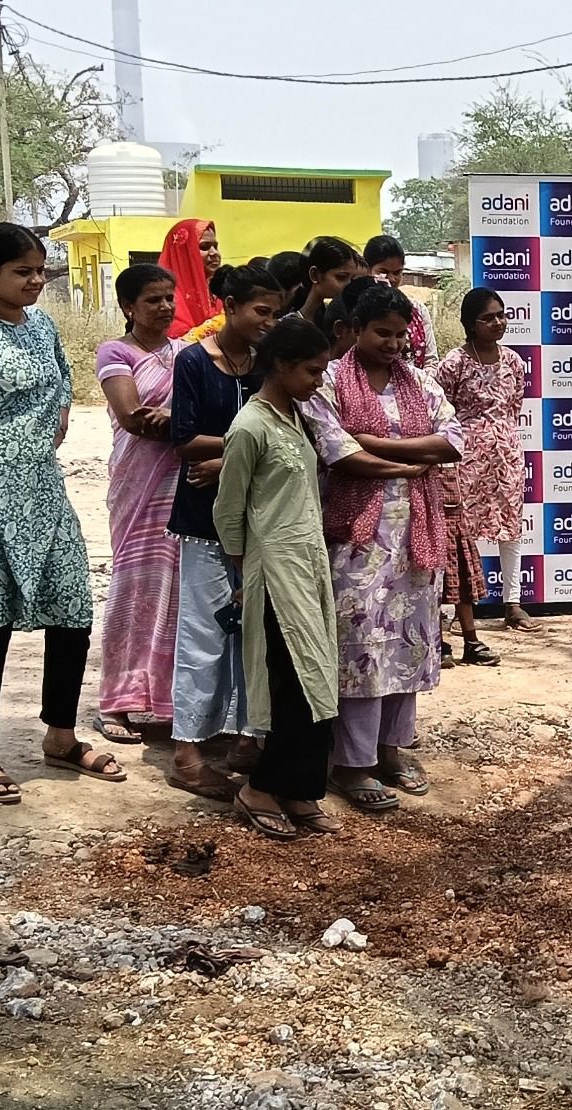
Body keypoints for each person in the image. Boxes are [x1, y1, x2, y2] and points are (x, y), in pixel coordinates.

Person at [302, 283, 461, 812]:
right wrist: (408, 462)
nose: (394, 344)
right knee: (362, 646)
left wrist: (376, 444)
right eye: (382, 333)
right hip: (358, 537)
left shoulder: (420, 381)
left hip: (417, 533)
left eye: (401, 334)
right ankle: (352, 763)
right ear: (355, 331)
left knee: (410, 642)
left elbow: (452, 441)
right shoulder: (328, 381)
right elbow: (337, 449)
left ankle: (392, 750)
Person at [0, 223, 127, 804]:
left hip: (44, 493)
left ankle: (60, 734)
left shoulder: (44, 325)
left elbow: (61, 392)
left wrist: (52, 428)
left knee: (72, 610)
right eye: (21, 270)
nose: (34, 280)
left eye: (39, 271)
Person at [214, 318, 342, 840]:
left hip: (309, 568)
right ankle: (260, 788)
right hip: (273, 575)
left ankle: (300, 788)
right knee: (294, 684)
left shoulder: (296, 417)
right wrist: (244, 571)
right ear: (283, 366)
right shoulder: (250, 427)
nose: (318, 380)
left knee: (318, 680)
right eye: (312, 370)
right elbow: (228, 510)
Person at [168, 264, 284, 798]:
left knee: (251, 634)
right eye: (262, 311)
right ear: (230, 305)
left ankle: (243, 736)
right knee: (202, 632)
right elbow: (185, 440)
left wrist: (233, 460)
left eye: (276, 312)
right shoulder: (193, 360)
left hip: (260, 519)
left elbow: (287, 432)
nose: (269, 321)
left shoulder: (269, 366)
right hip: (202, 519)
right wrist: (240, 453)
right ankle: (188, 750)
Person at [94, 264, 187, 744]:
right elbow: (132, 418)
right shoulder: (116, 351)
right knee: (135, 589)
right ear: (129, 306)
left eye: (169, 298)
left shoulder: (186, 352)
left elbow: (208, 410)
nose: (165, 307)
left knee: (181, 595)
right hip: (139, 485)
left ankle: (170, 700)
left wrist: (175, 416)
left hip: (184, 485)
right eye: (153, 300)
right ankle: (118, 701)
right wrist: (184, 419)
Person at [435, 288, 533, 632]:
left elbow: (513, 408)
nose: (498, 322)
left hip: (506, 455)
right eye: (488, 317)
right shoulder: (454, 363)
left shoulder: (514, 362)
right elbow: (440, 411)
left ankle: (513, 603)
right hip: (465, 458)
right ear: (469, 323)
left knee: (511, 526)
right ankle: (462, 612)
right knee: (463, 530)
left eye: (502, 315)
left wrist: (502, 441)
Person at [364, 235, 439, 371]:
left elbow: (431, 361)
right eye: (383, 272)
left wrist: (421, 387)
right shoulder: (357, 309)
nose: (392, 279)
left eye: (397, 272)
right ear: (367, 270)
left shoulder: (417, 310)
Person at [157, 219, 223, 340]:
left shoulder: (219, 291)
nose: (214, 253)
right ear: (184, 251)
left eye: (216, 246)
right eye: (204, 247)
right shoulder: (166, 296)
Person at [289, 237, 360, 330]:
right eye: (341, 277)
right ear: (314, 275)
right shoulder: (287, 327)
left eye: (352, 278)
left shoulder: (334, 318)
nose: (349, 284)